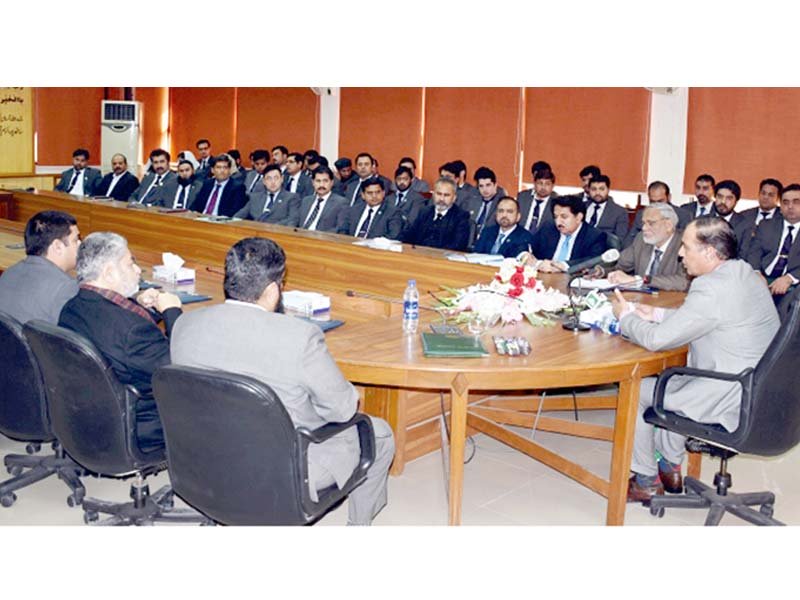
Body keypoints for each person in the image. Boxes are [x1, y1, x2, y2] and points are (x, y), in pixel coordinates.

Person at [169, 237, 395, 525]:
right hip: (283, 469)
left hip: (201, 459)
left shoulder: (184, 325)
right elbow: (342, 410)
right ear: (274, 289)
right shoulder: (299, 336)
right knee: (381, 433)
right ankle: (357, 527)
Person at [611, 218, 779, 501]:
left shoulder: (710, 287)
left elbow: (656, 340)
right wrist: (656, 314)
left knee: (637, 390)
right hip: (757, 392)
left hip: (727, 395)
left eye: (686, 247)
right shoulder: (743, 273)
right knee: (673, 381)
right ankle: (670, 466)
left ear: (710, 253)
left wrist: (625, 318)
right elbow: (706, 318)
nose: (679, 253)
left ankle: (646, 480)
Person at [59, 232, 183, 453]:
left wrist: (139, 305)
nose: (138, 270)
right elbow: (176, 370)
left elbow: (114, 328)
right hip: (140, 424)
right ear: (108, 272)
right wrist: (173, 313)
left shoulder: (71, 308)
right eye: (130, 263)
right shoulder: (133, 332)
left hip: (87, 414)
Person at [0, 211, 80, 324]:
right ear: (58, 247)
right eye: (76, 240)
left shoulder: (9, 273)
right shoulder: (66, 288)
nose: (80, 245)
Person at [605, 204, 689, 291]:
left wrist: (639, 280)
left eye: (651, 223)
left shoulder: (684, 244)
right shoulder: (641, 239)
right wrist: (602, 271)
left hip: (669, 300)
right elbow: (620, 265)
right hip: (639, 298)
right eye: (644, 223)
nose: (644, 228)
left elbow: (683, 282)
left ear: (668, 225)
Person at [746, 183, 800, 309]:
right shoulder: (766, 225)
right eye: (785, 202)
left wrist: (789, 278)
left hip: (793, 284)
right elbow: (754, 252)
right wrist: (756, 273)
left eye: (796, 202)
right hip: (763, 277)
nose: (790, 206)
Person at [524, 195, 609, 272]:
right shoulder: (548, 228)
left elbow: (592, 261)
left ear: (579, 217)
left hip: (572, 281)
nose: (558, 222)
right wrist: (526, 255)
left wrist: (563, 265)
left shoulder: (595, 236)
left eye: (564, 217)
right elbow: (529, 245)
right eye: (555, 216)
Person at [400, 177, 471, 251]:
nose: (441, 199)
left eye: (446, 195)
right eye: (439, 194)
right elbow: (409, 236)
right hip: (420, 257)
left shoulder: (461, 217)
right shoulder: (425, 212)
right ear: (433, 194)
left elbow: (458, 245)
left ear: (454, 198)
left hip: (443, 260)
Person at [622, 181, 691, 248]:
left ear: (669, 197)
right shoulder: (641, 214)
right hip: (643, 252)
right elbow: (629, 240)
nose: (656, 205)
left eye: (660, 201)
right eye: (652, 202)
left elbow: (684, 243)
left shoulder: (682, 215)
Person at [337, 177, 404, 239]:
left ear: (383, 193)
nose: (374, 196)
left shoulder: (393, 212)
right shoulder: (354, 210)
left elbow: (393, 236)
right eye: (370, 193)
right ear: (363, 195)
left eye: (378, 192)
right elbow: (343, 230)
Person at [235, 164, 301, 225]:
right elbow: (240, 215)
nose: (273, 182)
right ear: (264, 181)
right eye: (269, 178)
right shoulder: (255, 197)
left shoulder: (292, 198)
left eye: (276, 178)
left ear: (282, 179)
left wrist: (271, 228)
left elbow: (293, 219)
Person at [735, 178, 782, 258]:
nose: (765, 197)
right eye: (763, 193)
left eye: (770, 195)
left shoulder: (783, 218)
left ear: (778, 198)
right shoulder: (744, 215)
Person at [297, 166, 348, 232]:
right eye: (318, 181)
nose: (321, 185)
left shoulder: (341, 203)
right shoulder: (306, 200)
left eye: (325, 181)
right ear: (313, 182)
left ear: (332, 183)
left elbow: (341, 229)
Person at [584, 174, 629, 246]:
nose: (597, 193)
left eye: (602, 189)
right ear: (589, 190)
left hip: (603, 250)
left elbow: (620, 239)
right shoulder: (581, 206)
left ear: (608, 190)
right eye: (594, 189)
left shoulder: (620, 212)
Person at [517, 168, 557, 234]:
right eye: (540, 183)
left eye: (547, 184)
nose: (543, 187)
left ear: (553, 186)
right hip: (520, 236)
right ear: (534, 184)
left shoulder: (556, 201)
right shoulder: (523, 197)